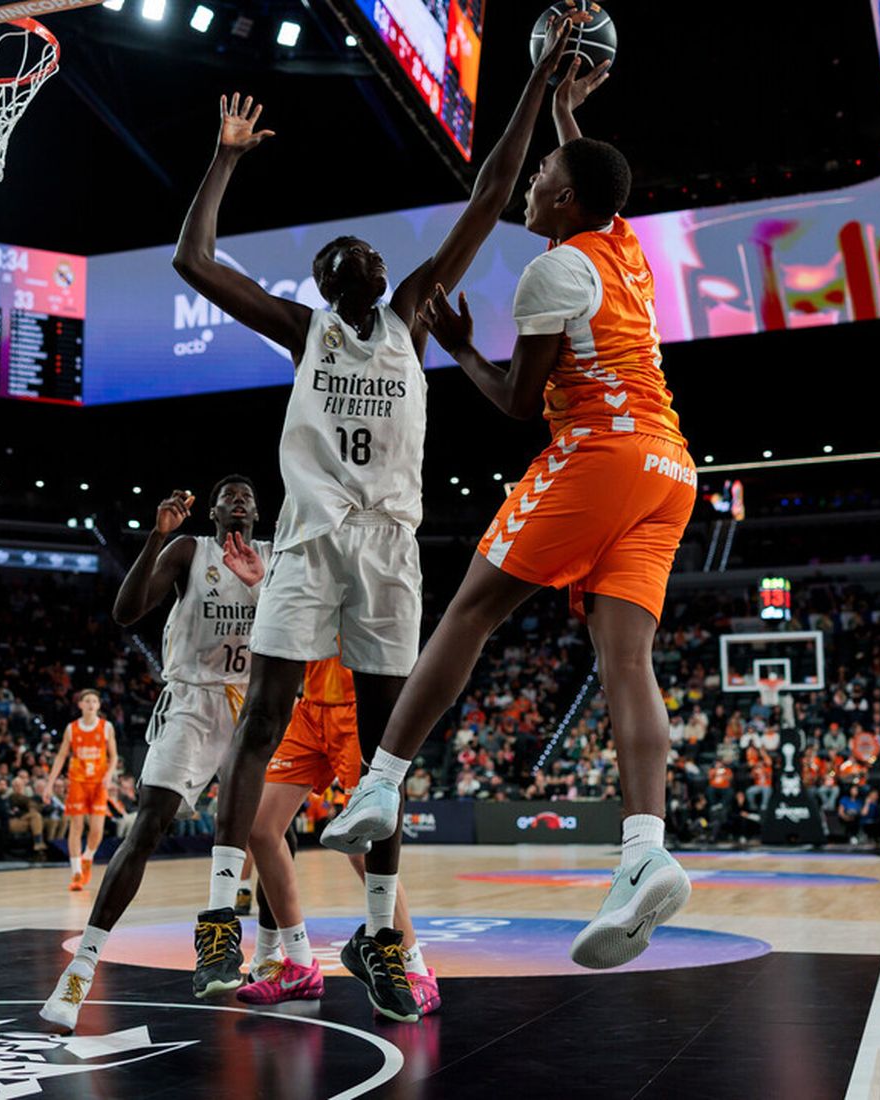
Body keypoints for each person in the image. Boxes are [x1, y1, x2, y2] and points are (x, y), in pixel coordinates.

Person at [171, 15, 593, 1013]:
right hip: (313, 545)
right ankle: (222, 914)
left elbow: (491, 192)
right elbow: (195, 259)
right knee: (266, 716)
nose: (365, 250)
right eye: (346, 252)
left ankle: (386, 936)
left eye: (369, 248)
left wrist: (533, 80)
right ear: (327, 282)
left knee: (380, 754)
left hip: (390, 553)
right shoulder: (302, 328)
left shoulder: (411, 310)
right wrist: (223, 160)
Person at [322, 37, 698, 973]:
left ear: (563, 202)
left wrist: (457, 345)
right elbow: (594, 178)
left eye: (542, 176)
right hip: (672, 473)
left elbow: (518, 406)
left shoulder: (550, 272)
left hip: (601, 455)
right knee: (627, 665)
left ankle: (381, 784)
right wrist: (569, 110)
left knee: (473, 608)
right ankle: (645, 849)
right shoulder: (623, 247)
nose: (530, 185)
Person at [41, 477, 267, 1032]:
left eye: (247, 494)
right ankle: (81, 970)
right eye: (227, 494)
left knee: (273, 835)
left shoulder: (276, 553)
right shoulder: (190, 550)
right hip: (193, 700)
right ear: (212, 511)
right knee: (148, 826)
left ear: (258, 511)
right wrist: (154, 538)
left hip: (254, 702)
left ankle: (271, 955)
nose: (238, 499)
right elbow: (125, 611)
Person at [238, 653, 438, 1020]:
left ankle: (415, 968)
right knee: (261, 828)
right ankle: (298, 964)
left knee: (362, 847)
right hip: (310, 707)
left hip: (360, 704)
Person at [40, 689, 119, 892]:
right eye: (87, 701)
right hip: (77, 782)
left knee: (96, 830)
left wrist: (109, 775)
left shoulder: (106, 727)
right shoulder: (72, 728)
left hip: (98, 783)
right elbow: (61, 757)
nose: (91, 704)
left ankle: (87, 858)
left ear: (99, 705)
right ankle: (76, 872)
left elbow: (114, 757)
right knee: (76, 827)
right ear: (81, 705)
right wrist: (49, 784)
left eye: (95, 701)